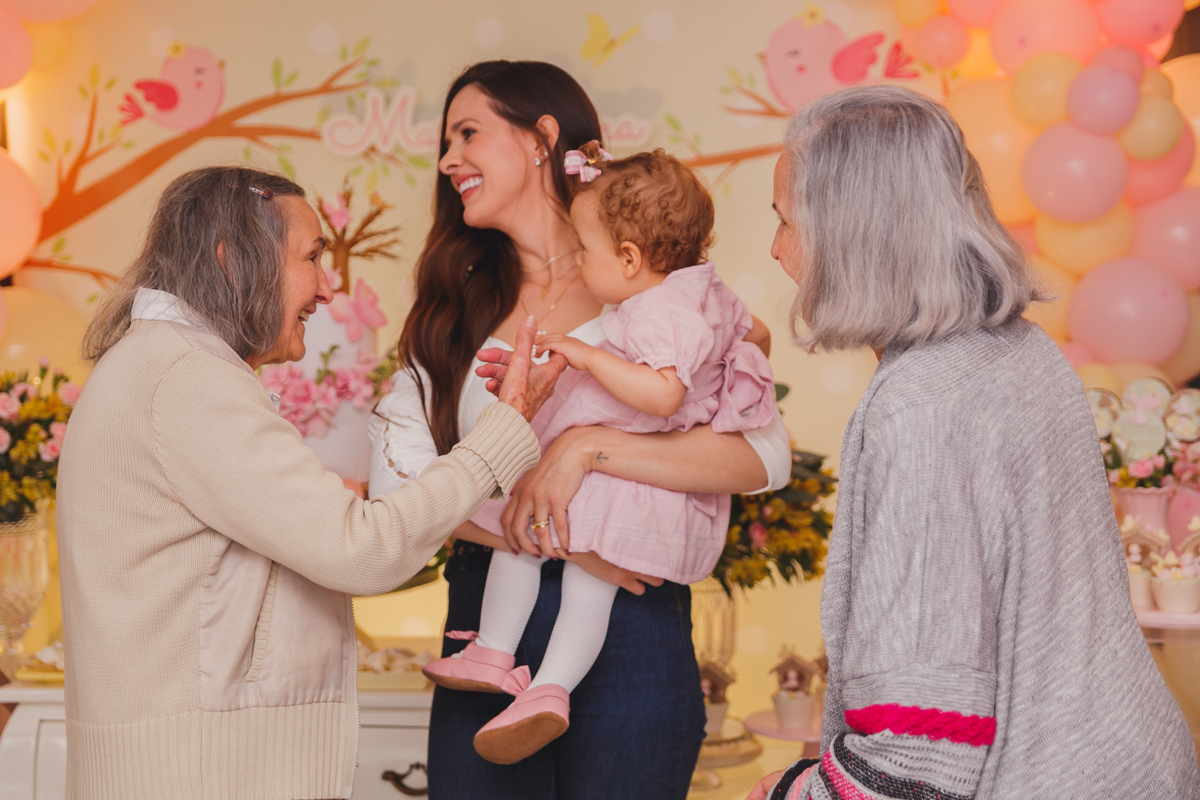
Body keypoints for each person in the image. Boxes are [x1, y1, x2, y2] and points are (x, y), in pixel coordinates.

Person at [748, 86, 1200, 800]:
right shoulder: (1018, 349)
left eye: (786, 221)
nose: (776, 250)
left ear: (853, 230)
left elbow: (917, 757)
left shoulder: (922, 407)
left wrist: (784, 794)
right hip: (1128, 761)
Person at [56, 166, 559, 800]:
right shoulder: (187, 376)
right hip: (199, 774)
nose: (329, 287)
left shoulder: (163, 362)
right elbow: (365, 553)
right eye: (313, 257)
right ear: (232, 259)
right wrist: (501, 433)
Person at [367, 60, 792, 800]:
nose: (447, 159)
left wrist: (582, 450)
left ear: (542, 137)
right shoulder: (450, 309)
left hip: (630, 633)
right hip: (485, 628)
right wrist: (553, 532)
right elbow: (393, 490)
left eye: (468, 133)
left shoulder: (656, 286)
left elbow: (762, 457)